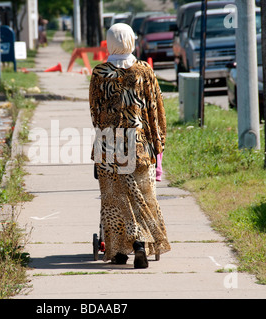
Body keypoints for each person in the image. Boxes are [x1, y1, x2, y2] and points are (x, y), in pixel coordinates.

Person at [89, 23, 170, 268]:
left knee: (114, 201)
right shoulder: (144, 70)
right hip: (138, 146)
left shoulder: (99, 72)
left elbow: (95, 112)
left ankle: (119, 251)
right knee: (143, 199)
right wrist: (159, 145)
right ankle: (140, 245)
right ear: (132, 41)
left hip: (107, 146)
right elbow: (156, 111)